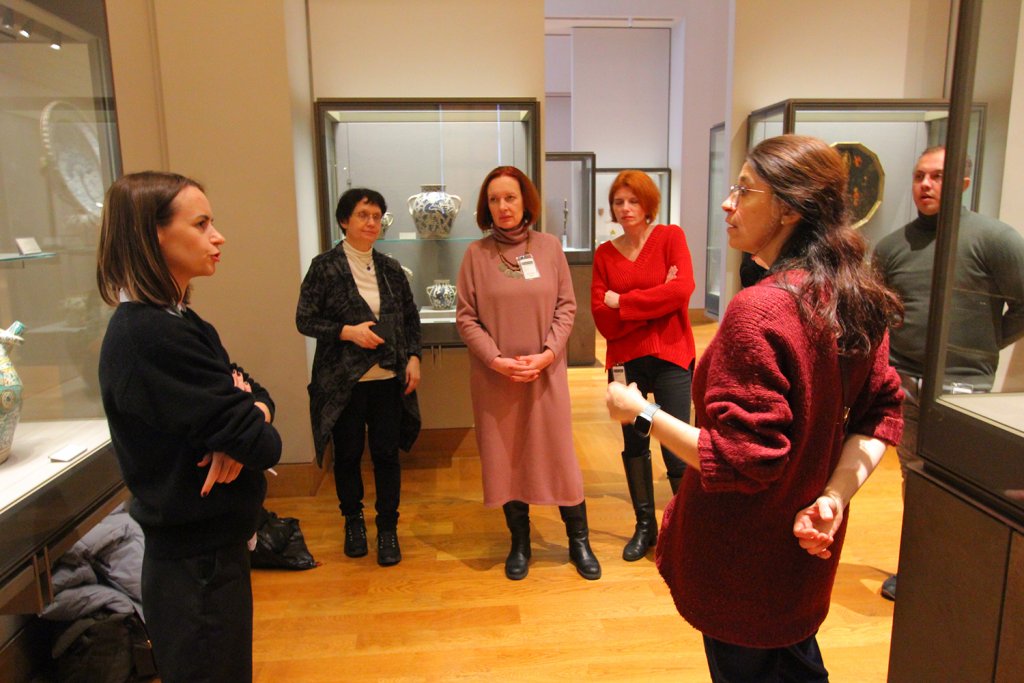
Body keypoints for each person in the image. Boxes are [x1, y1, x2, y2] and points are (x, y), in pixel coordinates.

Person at [606, 135, 904, 682]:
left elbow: (739, 459)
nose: (728, 203)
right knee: (795, 662)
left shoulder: (760, 311)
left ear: (789, 209)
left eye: (744, 191)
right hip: (805, 549)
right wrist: (833, 498)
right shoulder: (854, 293)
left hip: (743, 560)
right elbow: (879, 412)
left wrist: (639, 412)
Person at [97, 172, 282, 683]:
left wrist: (248, 413)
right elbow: (264, 444)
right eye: (201, 224)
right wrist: (244, 424)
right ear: (153, 235)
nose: (218, 237)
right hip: (193, 563)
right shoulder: (150, 335)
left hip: (211, 551)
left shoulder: (182, 322)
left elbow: (257, 395)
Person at [873, 145, 1024, 600]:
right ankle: (920, 567)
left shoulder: (994, 239)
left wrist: (981, 346)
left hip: (964, 385)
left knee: (963, 482)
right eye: (920, 175)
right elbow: (879, 313)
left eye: (938, 176)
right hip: (904, 380)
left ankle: (964, 574)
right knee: (915, 477)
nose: (926, 184)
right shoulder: (892, 246)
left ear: (963, 182)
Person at [456, 165, 601, 581]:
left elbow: (566, 306)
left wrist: (548, 354)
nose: (503, 206)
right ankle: (519, 542)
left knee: (559, 455)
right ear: (486, 207)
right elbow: (466, 317)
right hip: (495, 379)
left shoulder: (549, 247)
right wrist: (495, 360)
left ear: (526, 202)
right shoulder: (476, 255)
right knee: (506, 457)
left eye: (510, 197)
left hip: (545, 374)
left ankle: (579, 540)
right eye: (494, 199)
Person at [296, 188, 421, 567]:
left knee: (386, 455)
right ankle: (353, 522)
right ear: (343, 221)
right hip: (343, 383)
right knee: (347, 455)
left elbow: (410, 318)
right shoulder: (324, 267)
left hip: (387, 378)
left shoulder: (390, 268)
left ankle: (387, 528)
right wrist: (347, 332)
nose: (371, 222)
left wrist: (414, 357)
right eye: (363, 215)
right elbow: (305, 319)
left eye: (377, 216)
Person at [591, 169, 696, 561]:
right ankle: (645, 526)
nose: (626, 208)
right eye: (619, 202)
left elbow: (682, 291)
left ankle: (687, 529)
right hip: (625, 362)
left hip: (671, 356)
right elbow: (603, 319)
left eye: (633, 200)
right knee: (635, 443)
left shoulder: (670, 237)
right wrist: (657, 299)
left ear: (648, 203)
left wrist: (624, 302)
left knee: (675, 443)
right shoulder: (605, 254)